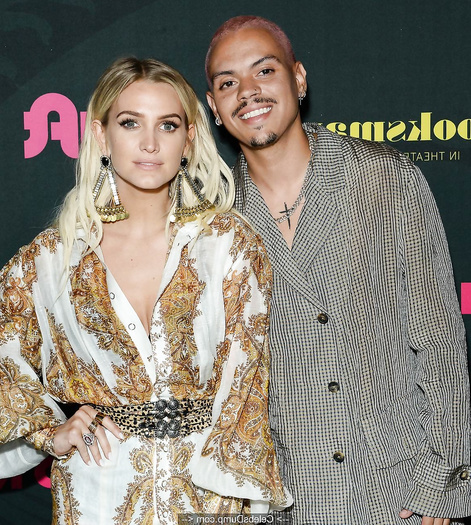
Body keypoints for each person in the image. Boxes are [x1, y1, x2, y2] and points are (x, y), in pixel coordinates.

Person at [0, 56, 292, 524]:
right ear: (101, 136)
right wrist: (48, 432)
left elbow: (247, 387)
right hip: (96, 496)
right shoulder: (52, 259)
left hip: (208, 498)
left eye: (168, 125)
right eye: (131, 123)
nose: (150, 143)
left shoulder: (227, 245)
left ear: (188, 139)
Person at [205, 15, 471, 525]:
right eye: (228, 82)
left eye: (264, 70)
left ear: (299, 78)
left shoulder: (384, 180)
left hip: (399, 495)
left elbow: (439, 341)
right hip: (289, 501)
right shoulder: (215, 223)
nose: (248, 91)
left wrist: (440, 485)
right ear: (215, 108)